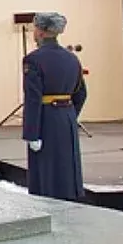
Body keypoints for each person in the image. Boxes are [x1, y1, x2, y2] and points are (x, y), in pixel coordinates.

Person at [23, 12, 87, 201]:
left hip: (46, 119)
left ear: (42, 32)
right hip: (66, 116)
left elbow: (33, 99)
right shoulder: (72, 59)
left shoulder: (33, 60)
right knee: (67, 168)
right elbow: (81, 93)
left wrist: (31, 133)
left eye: (35, 28)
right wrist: (69, 116)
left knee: (46, 172)